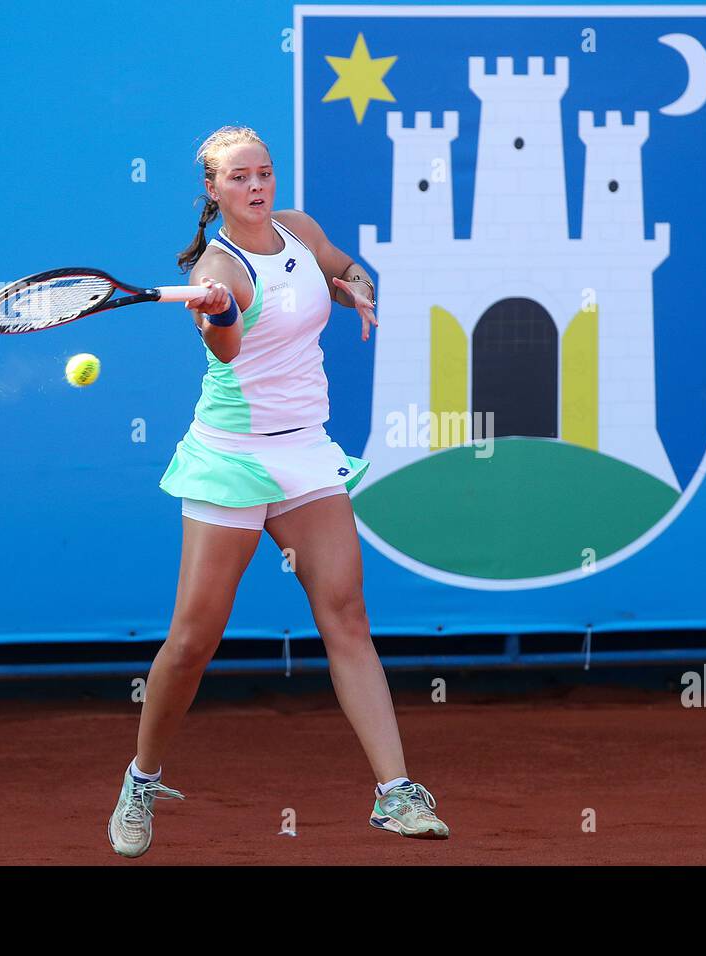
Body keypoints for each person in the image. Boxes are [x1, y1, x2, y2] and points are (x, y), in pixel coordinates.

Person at [107, 125, 449, 858]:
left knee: (346, 614)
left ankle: (395, 794)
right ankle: (142, 777)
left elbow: (342, 266)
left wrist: (355, 287)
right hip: (231, 460)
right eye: (238, 178)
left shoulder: (298, 228)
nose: (256, 187)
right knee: (194, 641)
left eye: (263, 173)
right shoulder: (216, 271)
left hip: (305, 453)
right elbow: (227, 353)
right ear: (212, 190)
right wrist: (220, 314)